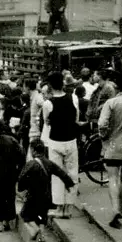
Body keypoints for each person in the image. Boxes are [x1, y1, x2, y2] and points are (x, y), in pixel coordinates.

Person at [98, 72, 122, 229]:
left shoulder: (111, 103)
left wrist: (104, 136)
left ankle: (114, 208)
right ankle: (121, 209)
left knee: (112, 177)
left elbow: (102, 124)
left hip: (113, 145)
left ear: (117, 86)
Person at [18, 140, 75, 242]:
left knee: (25, 214)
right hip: (46, 195)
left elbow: (22, 178)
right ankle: (41, 236)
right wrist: (69, 184)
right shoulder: (49, 163)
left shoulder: (30, 164)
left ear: (33, 151)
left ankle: (35, 229)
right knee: (42, 216)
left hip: (33, 195)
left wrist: (21, 189)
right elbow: (61, 173)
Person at [43, 71, 80, 218]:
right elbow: (76, 117)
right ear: (63, 83)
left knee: (57, 175)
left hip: (55, 140)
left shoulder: (48, 103)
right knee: (72, 172)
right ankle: (69, 208)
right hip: (71, 139)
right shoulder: (74, 98)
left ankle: (59, 208)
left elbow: (47, 121)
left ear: (50, 86)